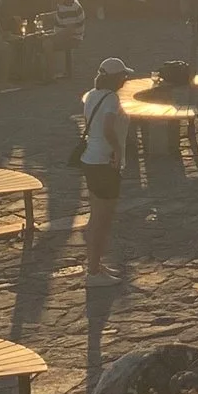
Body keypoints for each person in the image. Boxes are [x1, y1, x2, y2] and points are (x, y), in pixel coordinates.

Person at [76, 60, 132, 288]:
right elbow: (108, 127)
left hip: (90, 159)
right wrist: (117, 150)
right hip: (104, 162)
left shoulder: (91, 95)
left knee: (96, 216)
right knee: (102, 219)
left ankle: (96, 264)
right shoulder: (111, 99)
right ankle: (93, 271)